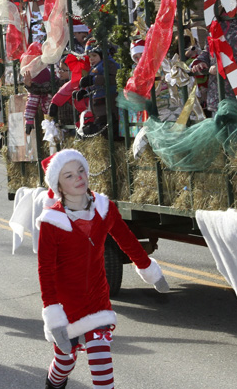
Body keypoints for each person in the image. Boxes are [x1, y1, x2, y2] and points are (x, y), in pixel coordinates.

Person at [37, 149, 169, 389]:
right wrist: (54, 318)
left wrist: (148, 268)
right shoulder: (51, 222)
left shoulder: (104, 208)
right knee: (64, 363)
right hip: (66, 308)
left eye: (80, 171)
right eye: (69, 176)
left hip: (97, 302)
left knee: (102, 370)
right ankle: (53, 384)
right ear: (58, 185)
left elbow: (127, 240)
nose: (78, 177)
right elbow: (45, 272)